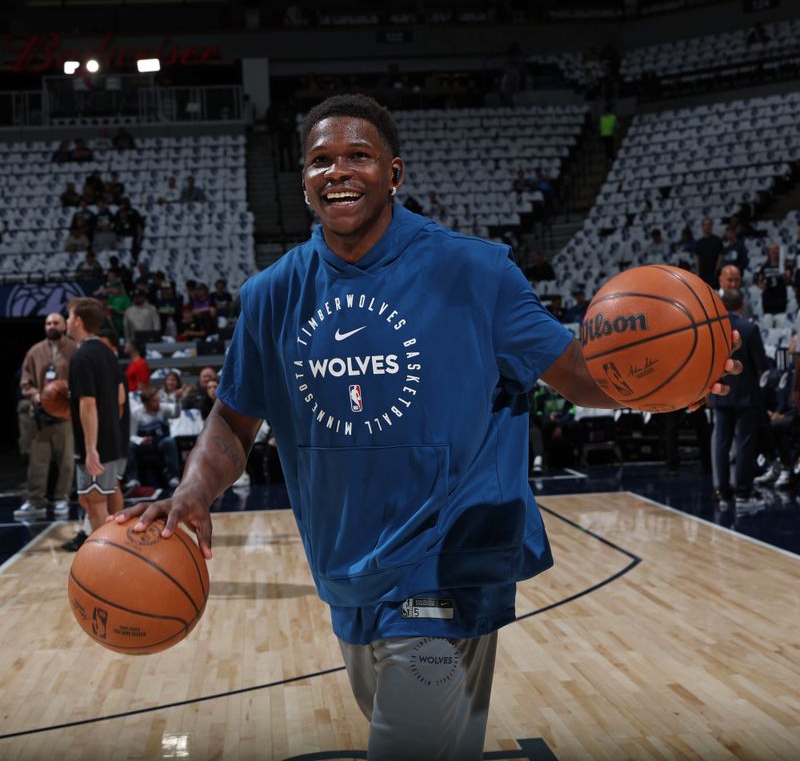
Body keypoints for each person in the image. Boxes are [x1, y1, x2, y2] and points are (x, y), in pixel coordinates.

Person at [114, 94, 741, 760]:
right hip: (345, 569)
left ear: (396, 173)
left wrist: (669, 378)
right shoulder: (273, 295)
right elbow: (233, 421)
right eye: (321, 161)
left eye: (359, 156)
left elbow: (577, 373)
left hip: (447, 564)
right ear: (302, 181)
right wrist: (192, 491)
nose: (338, 172)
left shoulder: (476, 270)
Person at [66, 297, 126, 533]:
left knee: (96, 504)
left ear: (78, 321)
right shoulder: (107, 352)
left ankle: (108, 563)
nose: (67, 321)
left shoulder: (82, 358)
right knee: (91, 501)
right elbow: (120, 397)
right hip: (112, 439)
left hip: (95, 445)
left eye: (69, 317)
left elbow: (88, 405)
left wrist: (91, 449)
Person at [708, 288, 769, 504]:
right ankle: (742, 492)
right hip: (746, 396)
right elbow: (761, 364)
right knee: (744, 443)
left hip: (720, 395)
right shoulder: (750, 329)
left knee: (721, 444)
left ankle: (720, 490)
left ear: (722, 306)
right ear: (742, 304)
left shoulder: (712, 330)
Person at [14, 313, 77, 520]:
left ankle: (61, 498)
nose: (52, 326)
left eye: (56, 322)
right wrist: (36, 394)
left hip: (65, 414)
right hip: (40, 415)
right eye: (48, 323)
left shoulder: (73, 349)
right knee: (38, 460)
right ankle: (36, 501)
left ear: (64, 326)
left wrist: (68, 392)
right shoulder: (34, 351)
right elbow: (25, 383)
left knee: (66, 460)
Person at [125, 385, 181, 491]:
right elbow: (130, 435)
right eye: (154, 401)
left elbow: (176, 414)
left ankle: (173, 477)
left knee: (170, 441)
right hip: (143, 443)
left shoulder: (162, 407)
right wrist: (141, 440)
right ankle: (132, 479)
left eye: (158, 400)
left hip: (160, 441)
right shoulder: (135, 413)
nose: (157, 403)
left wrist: (177, 400)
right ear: (145, 403)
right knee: (130, 446)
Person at [755, 243, 788, 315]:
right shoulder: (764, 266)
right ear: (769, 252)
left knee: (781, 319)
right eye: (772, 250)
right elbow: (759, 282)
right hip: (768, 298)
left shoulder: (784, 265)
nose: (774, 251)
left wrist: (785, 275)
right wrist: (762, 285)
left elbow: (787, 282)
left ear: (779, 251)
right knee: (768, 319)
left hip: (781, 297)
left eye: (776, 249)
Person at [695, 216, 723, 288]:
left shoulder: (717, 241)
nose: (707, 227)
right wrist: (698, 272)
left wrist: (716, 270)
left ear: (712, 226)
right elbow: (697, 257)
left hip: (714, 274)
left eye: (709, 224)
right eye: (705, 225)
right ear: (702, 226)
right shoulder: (699, 242)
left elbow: (721, 256)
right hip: (702, 274)